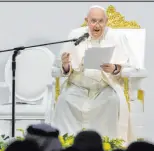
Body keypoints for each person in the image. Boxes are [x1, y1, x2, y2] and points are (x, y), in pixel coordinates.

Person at [52, 5, 137, 142]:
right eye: (93, 21)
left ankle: (108, 144)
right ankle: (67, 143)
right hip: (78, 88)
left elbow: (131, 65)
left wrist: (115, 68)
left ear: (106, 21)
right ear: (87, 21)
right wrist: (66, 65)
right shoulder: (75, 36)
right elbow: (63, 67)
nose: (96, 25)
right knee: (64, 100)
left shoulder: (117, 37)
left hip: (104, 89)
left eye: (100, 21)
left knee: (113, 101)